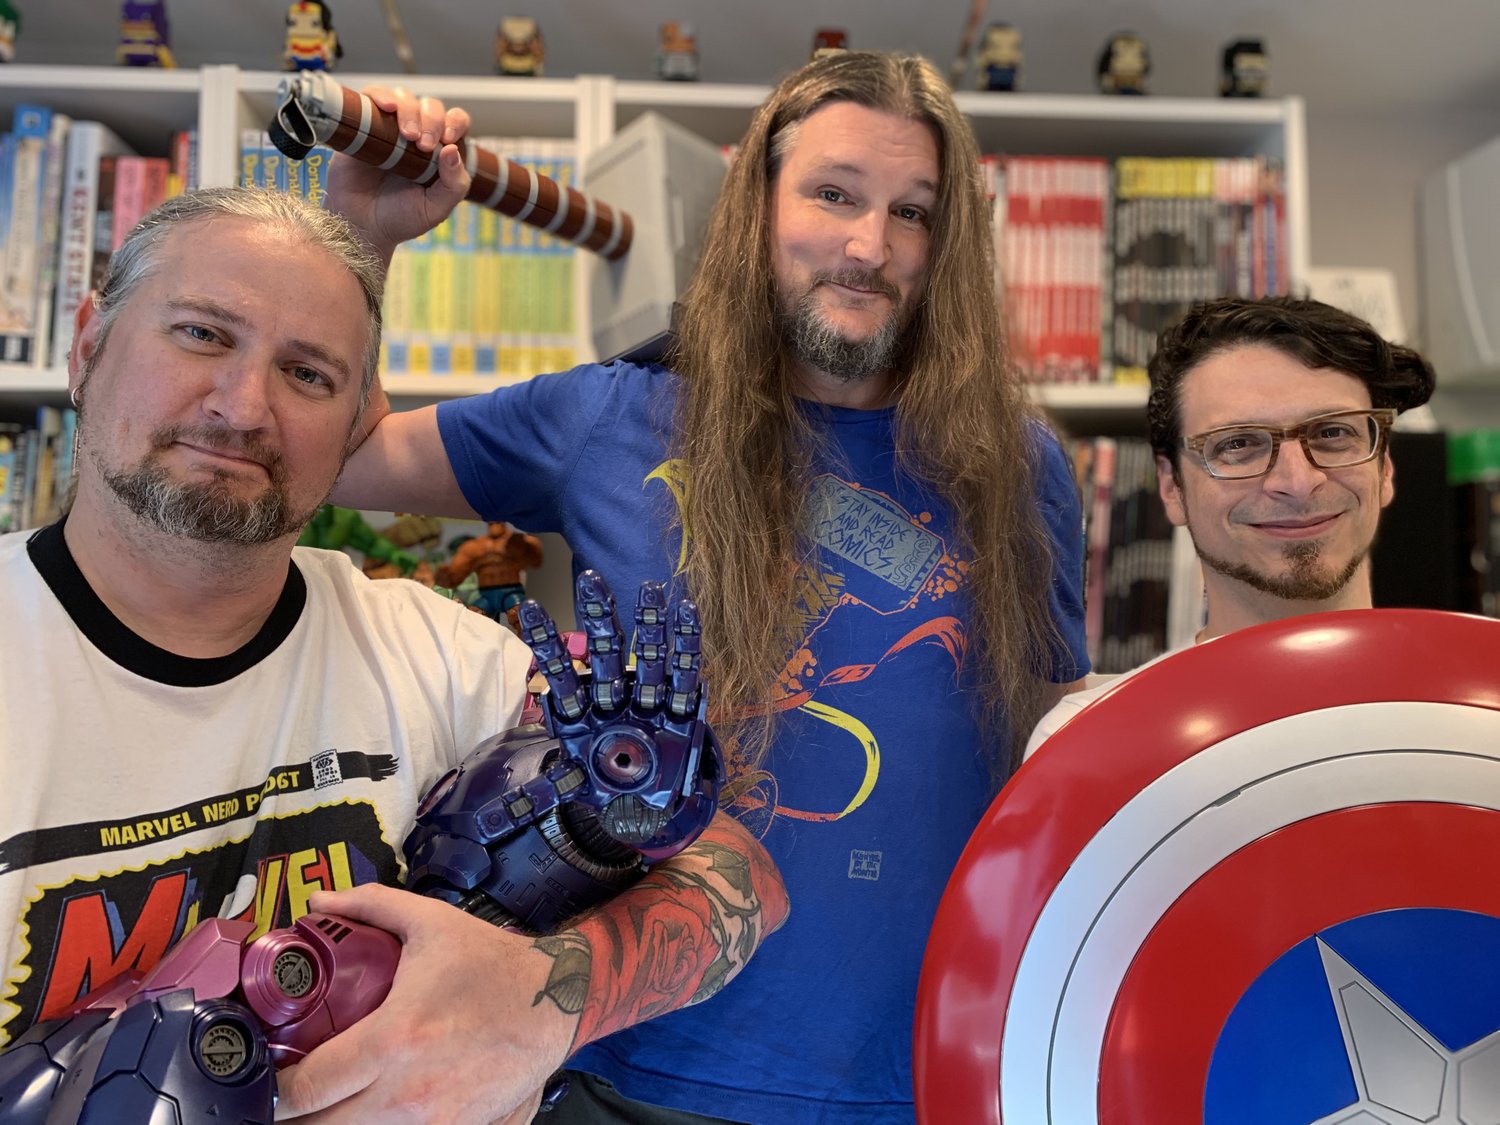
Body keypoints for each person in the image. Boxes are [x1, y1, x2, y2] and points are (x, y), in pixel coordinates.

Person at [329, 51, 1090, 1124]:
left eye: (912, 214)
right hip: (626, 1071)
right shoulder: (609, 416)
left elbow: (1057, 753)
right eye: (833, 194)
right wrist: (368, 235)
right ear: (758, 207)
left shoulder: (1020, 468)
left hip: (932, 1077)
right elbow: (345, 452)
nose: (870, 247)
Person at [0, 186, 786, 1124]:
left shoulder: (439, 653)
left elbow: (745, 879)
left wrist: (542, 1005)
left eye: (309, 374)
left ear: (352, 432)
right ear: (89, 346)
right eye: (203, 334)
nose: (244, 404)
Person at [1026, 294, 1435, 757]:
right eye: (1238, 444)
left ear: (1384, 469)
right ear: (1171, 488)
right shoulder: (1089, 745)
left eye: (1333, 433)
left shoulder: (1481, 706)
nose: (1298, 482)